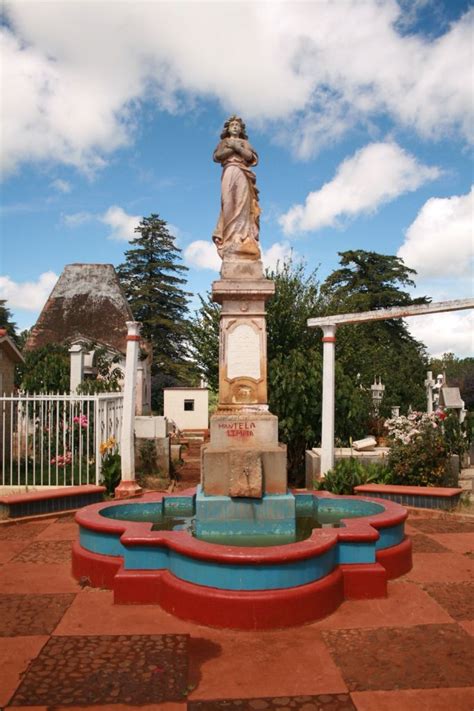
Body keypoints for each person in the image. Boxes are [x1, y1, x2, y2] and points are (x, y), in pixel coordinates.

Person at [212, 116, 261, 260]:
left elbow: (249, 156)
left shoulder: (245, 143)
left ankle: (241, 236)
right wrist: (231, 147)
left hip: (242, 172)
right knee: (228, 203)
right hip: (229, 170)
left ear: (241, 129)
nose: (234, 126)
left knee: (242, 204)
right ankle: (229, 238)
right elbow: (218, 156)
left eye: (237, 125)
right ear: (227, 128)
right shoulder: (224, 142)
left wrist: (237, 147)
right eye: (232, 125)